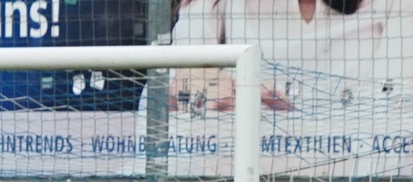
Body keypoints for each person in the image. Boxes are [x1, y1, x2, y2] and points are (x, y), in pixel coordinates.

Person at [170, 0, 411, 112]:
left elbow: (399, 102)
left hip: (358, 175)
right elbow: (179, 84)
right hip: (238, 168)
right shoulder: (212, 4)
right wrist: (216, 90)